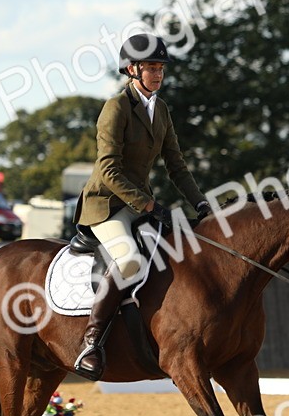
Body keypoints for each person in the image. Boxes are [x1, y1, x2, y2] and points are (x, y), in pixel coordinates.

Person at [71, 34, 211, 380]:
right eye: (151, 67)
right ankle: (92, 342)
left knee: (180, 253)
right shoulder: (116, 108)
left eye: (160, 68)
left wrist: (202, 203)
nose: (158, 74)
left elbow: (176, 165)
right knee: (130, 260)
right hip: (105, 205)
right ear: (132, 70)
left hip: (139, 205)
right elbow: (108, 168)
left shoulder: (160, 110)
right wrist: (147, 203)